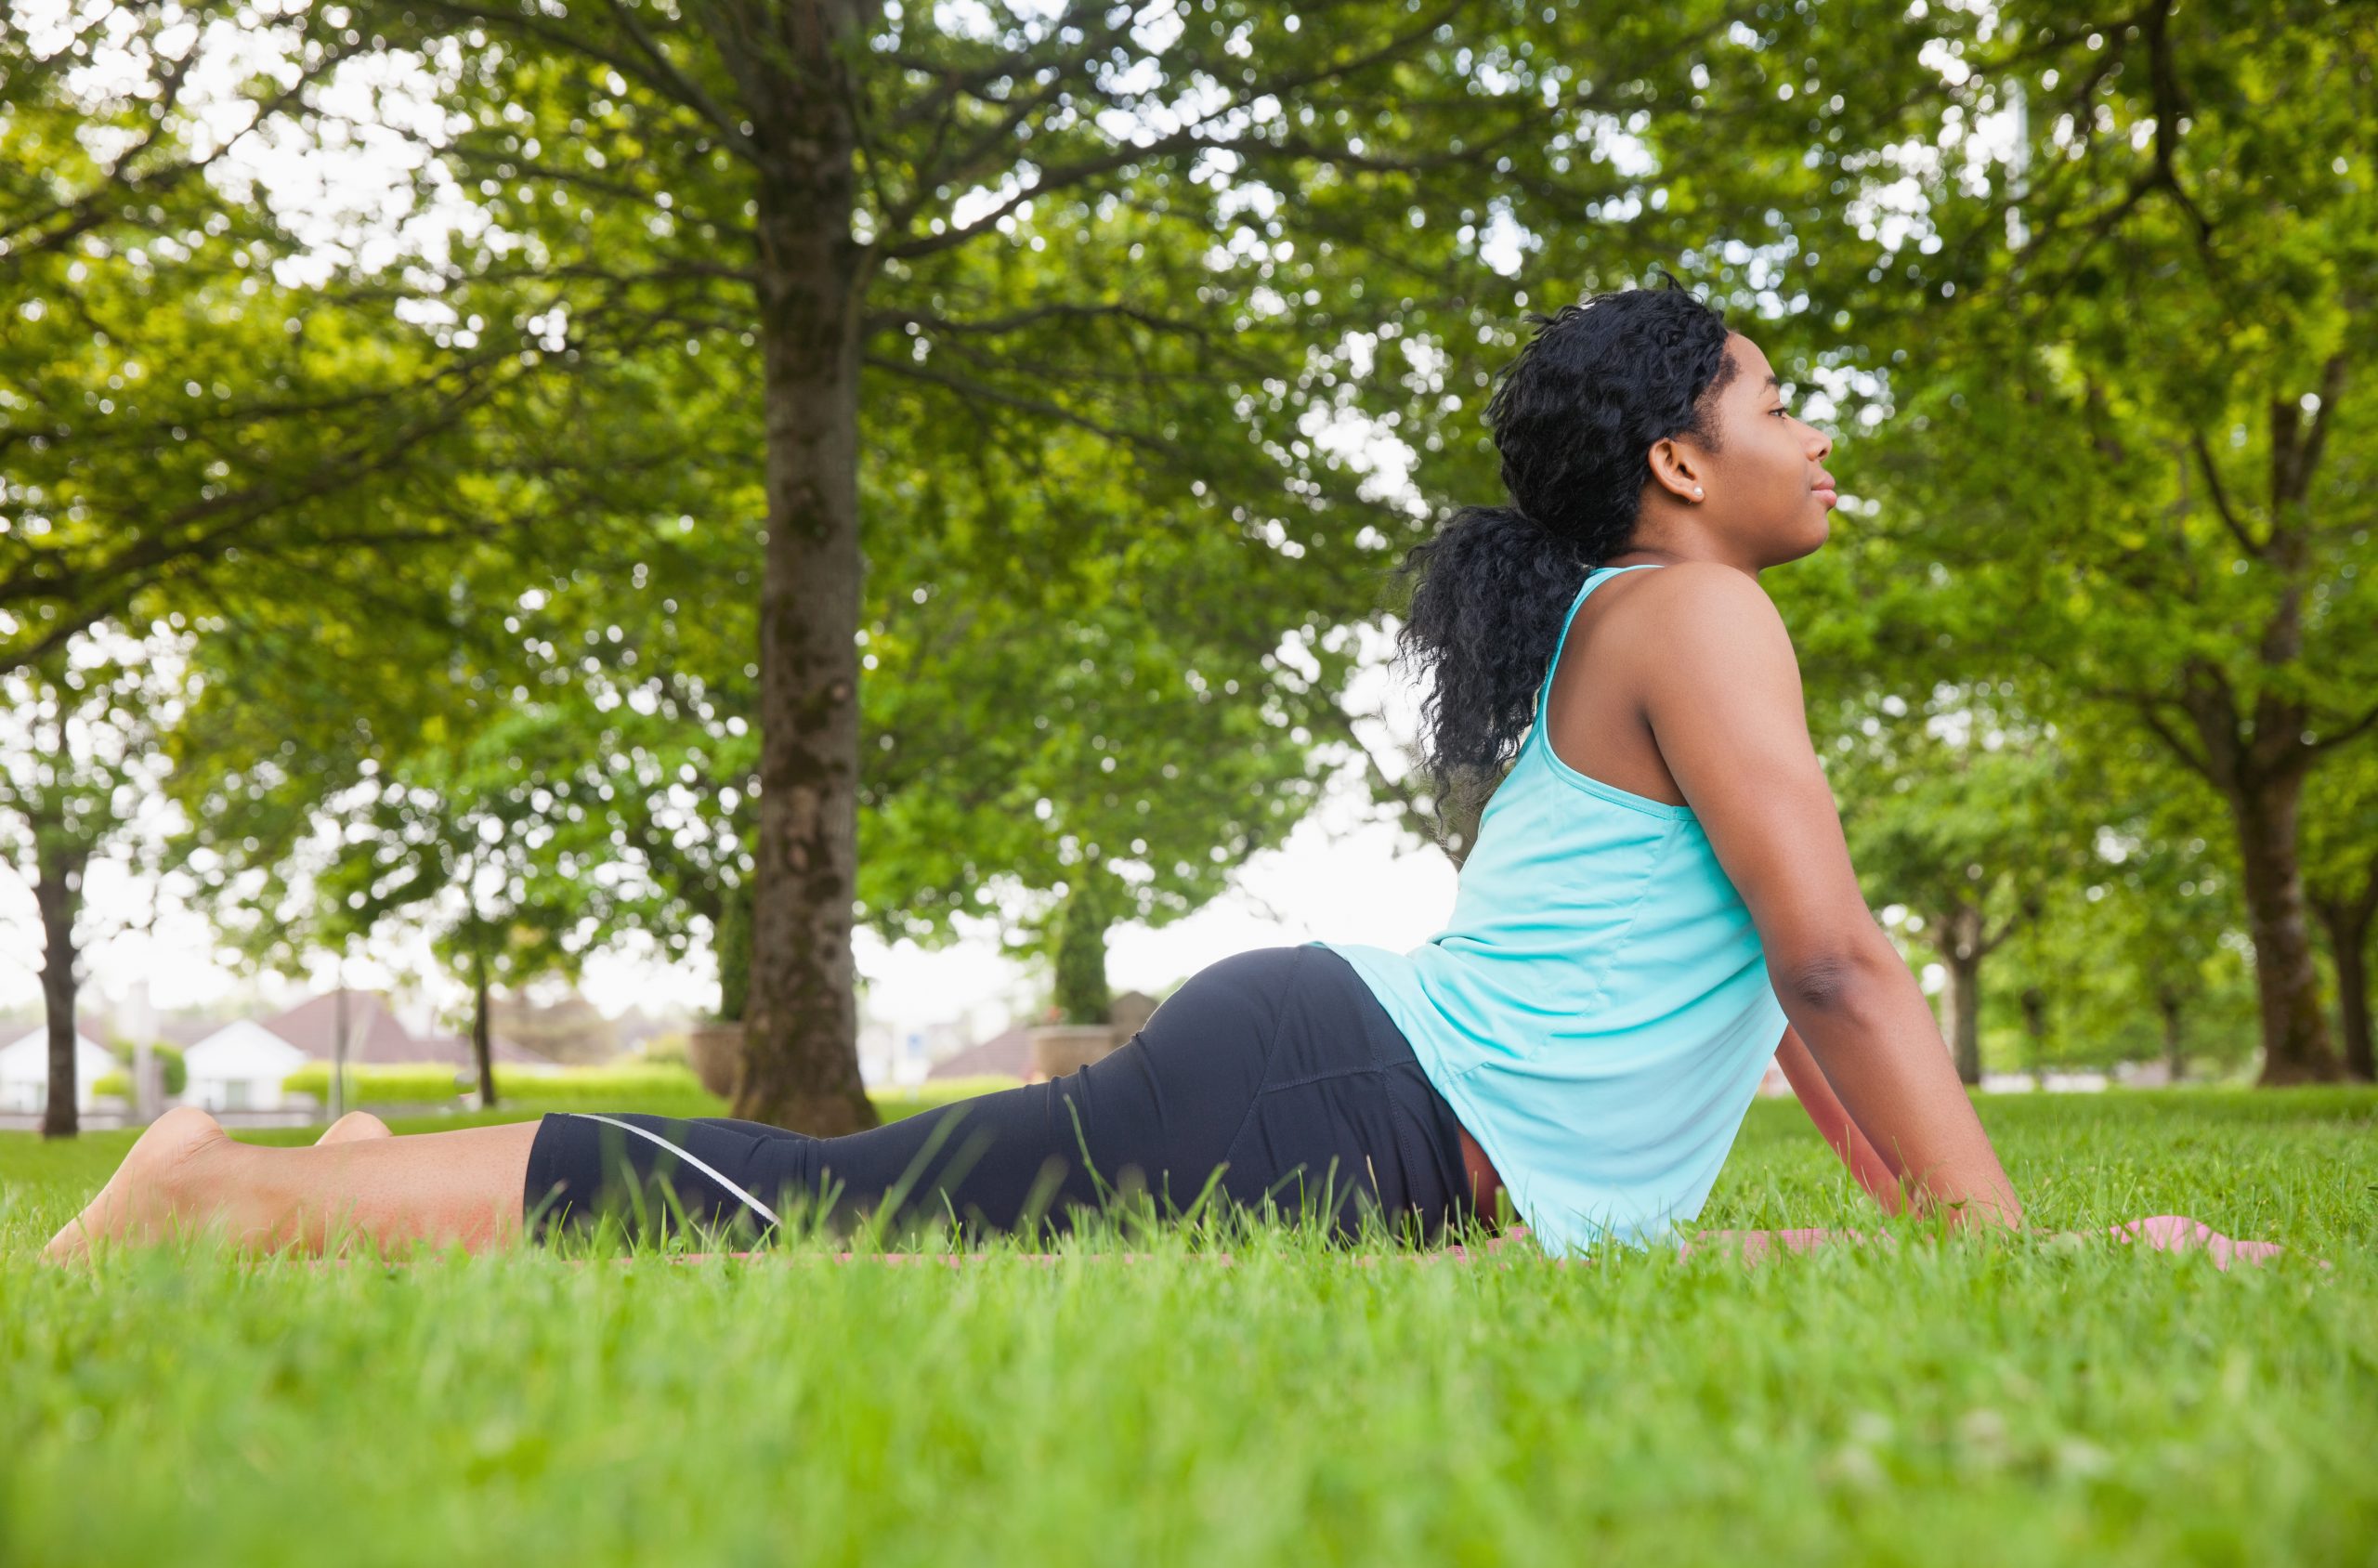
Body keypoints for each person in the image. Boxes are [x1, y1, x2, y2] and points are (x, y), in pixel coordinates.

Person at [40, 280, 2036, 1267]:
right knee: (821, 1226)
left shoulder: (1653, 632)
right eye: (1779, 400)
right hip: (1337, 1097)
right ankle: (210, 1182)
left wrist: (1929, 1234)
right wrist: (2014, 1255)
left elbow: (1774, 1027)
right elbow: (1836, 968)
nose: (1813, 436)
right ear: (1679, 462)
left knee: (837, 1212)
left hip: (1365, 1107)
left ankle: (373, 1179)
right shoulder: (1693, 615)